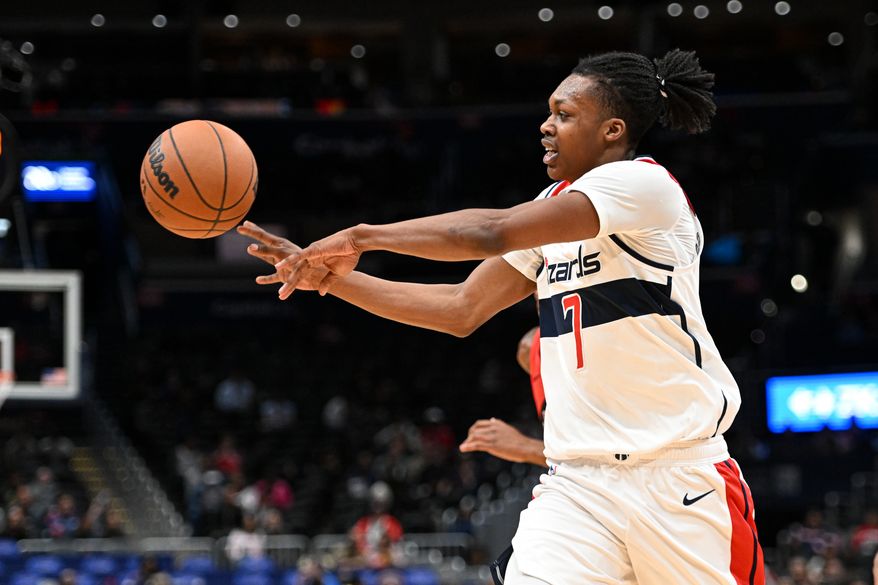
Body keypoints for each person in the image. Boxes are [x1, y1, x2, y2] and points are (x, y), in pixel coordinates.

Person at [241, 49, 764, 584]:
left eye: (564, 114)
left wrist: (361, 237)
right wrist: (329, 280)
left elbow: (491, 232)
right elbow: (460, 309)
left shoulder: (644, 186)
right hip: (580, 486)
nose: (546, 126)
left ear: (613, 130)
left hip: (678, 478)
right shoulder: (553, 208)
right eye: (549, 112)